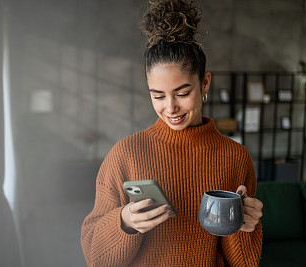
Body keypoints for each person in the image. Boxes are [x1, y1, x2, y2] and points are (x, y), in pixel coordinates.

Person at [81, 0, 263, 266]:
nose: (170, 108)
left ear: (204, 83)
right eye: (158, 96)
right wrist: (125, 222)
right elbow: (96, 258)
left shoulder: (235, 157)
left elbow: (244, 263)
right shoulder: (126, 154)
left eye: (182, 93)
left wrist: (246, 227)